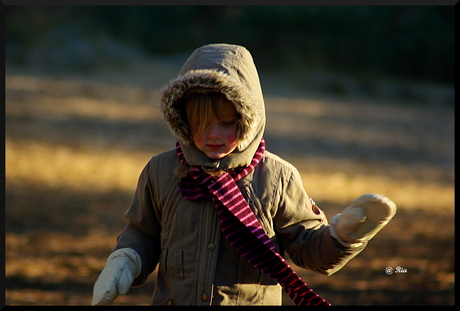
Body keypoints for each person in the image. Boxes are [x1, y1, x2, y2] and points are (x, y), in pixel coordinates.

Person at [92, 43, 396, 306]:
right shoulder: (161, 172)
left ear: (248, 118)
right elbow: (143, 233)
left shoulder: (277, 178)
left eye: (226, 123)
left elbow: (309, 249)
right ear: (182, 118)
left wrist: (343, 235)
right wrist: (126, 260)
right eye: (202, 122)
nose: (214, 135)